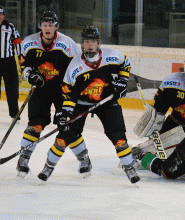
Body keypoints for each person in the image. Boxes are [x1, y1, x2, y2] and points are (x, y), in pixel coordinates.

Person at [37, 26, 140, 184]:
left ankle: (129, 167)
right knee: (63, 137)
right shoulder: (74, 66)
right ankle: (49, 166)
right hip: (81, 103)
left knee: (118, 137)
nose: (90, 45)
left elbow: (125, 63)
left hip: (106, 101)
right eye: (86, 41)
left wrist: (123, 82)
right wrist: (65, 113)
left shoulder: (112, 56)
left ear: (99, 43)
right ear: (82, 44)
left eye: (93, 41)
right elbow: (68, 92)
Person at [16, 11, 81, 178]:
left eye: (50, 25)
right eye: (44, 25)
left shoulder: (68, 44)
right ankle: (23, 160)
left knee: (67, 126)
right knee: (35, 125)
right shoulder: (29, 42)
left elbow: (78, 68)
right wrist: (30, 75)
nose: (47, 28)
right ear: (40, 26)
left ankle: (84, 159)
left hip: (62, 92)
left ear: (56, 26)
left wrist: (75, 89)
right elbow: (23, 65)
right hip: (40, 90)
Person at [0, 6, 22, 121]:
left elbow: (17, 41)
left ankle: (14, 114)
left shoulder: (10, 27)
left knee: (12, 89)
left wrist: (20, 56)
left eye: (1, 15)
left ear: (4, 16)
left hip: (8, 61)